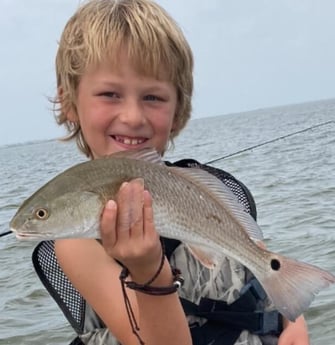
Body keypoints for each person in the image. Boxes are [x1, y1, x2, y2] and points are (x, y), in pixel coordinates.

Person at [32, 0, 310, 344]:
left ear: (178, 111)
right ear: (71, 102)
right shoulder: (79, 243)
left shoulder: (203, 189)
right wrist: (148, 270)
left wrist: (294, 323)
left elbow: (265, 273)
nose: (133, 116)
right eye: (109, 94)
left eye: (152, 97)